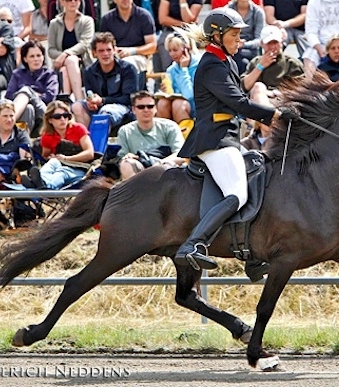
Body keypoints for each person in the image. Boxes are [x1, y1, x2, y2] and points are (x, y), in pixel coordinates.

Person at [174, 8, 295, 279]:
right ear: (216, 36)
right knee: (237, 195)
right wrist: (275, 115)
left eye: (240, 34)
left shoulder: (225, 61)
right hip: (214, 140)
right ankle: (193, 244)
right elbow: (238, 103)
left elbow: (239, 90)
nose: (239, 40)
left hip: (229, 137)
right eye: (234, 34)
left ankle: (253, 255)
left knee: (259, 173)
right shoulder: (212, 65)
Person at [72, 32, 138, 129]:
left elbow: (130, 98)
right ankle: (86, 140)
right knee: (76, 107)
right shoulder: (88, 72)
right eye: (101, 51)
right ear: (94, 53)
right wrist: (92, 103)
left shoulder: (128, 69)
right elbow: (90, 94)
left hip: (123, 107)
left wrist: (103, 101)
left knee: (105, 111)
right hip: (100, 106)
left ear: (114, 50)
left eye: (109, 50)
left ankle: (98, 143)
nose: (106, 54)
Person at [26, 100, 95, 190]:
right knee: (52, 162)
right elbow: (45, 156)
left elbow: (90, 153)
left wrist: (66, 159)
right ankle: (39, 182)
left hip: (80, 168)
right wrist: (51, 157)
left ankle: (46, 187)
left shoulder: (78, 129)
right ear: (50, 120)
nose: (62, 119)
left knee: (62, 172)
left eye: (66, 115)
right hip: (59, 164)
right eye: (57, 117)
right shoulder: (47, 136)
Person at [117, 90, 185, 180]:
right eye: (141, 107)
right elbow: (121, 159)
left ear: (155, 108)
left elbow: (181, 154)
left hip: (167, 169)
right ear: (133, 109)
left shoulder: (170, 126)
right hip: (139, 172)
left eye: (150, 106)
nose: (146, 110)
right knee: (126, 164)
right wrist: (128, 157)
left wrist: (158, 165)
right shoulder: (125, 131)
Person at [100, 0, 157, 91]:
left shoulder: (144, 16)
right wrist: (114, 51)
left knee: (128, 64)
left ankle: (131, 97)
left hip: (139, 56)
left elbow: (152, 46)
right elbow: (102, 44)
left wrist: (132, 51)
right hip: (113, 55)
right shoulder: (107, 19)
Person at [4, 40, 58, 136]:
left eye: (39, 55)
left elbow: (50, 97)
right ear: (25, 59)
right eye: (32, 56)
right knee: (28, 108)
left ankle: (5, 123)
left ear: (43, 57)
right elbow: (9, 96)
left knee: (26, 90)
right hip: (24, 113)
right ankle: (23, 141)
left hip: (45, 112)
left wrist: (30, 95)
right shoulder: (17, 74)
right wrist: (27, 100)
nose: (36, 59)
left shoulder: (49, 74)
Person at [47, 0, 94, 102]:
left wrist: (65, 54)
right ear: (62, 2)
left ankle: (70, 103)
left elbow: (85, 44)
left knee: (70, 62)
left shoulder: (87, 21)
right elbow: (51, 49)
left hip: (84, 65)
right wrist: (65, 57)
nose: (73, 2)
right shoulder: (54, 23)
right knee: (68, 63)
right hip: (61, 65)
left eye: (76, 0)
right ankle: (77, 102)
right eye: (69, 0)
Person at [302, 0, 339, 79]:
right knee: (309, 58)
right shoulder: (314, 2)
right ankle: (311, 87)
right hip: (321, 45)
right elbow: (310, 30)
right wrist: (320, 49)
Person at [240, 24, 304, 98]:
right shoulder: (255, 62)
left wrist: (279, 93)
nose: (273, 47)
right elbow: (244, 87)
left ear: (281, 43)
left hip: (284, 101)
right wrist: (260, 66)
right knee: (258, 87)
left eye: (275, 42)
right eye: (269, 43)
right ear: (262, 44)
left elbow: (301, 90)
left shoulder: (292, 64)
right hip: (258, 100)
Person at [156, 32, 200, 123]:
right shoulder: (171, 69)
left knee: (178, 104)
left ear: (186, 49)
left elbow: (189, 95)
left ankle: (186, 136)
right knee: (162, 103)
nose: (172, 54)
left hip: (196, 107)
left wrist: (184, 69)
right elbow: (172, 93)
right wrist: (165, 92)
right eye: (170, 50)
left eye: (175, 50)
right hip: (176, 106)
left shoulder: (199, 66)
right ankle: (165, 135)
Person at [155, 0, 203, 73]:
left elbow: (188, 19)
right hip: (169, 30)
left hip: (188, 33)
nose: (171, 53)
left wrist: (182, 2)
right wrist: (184, 24)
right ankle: (167, 77)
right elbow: (163, 19)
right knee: (163, 45)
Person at [226, 0, 265, 74]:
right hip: (231, 47)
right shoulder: (227, 10)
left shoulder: (258, 12)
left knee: (244, 62)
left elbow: (259, 40)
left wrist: (244, 44)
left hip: (250, 49)